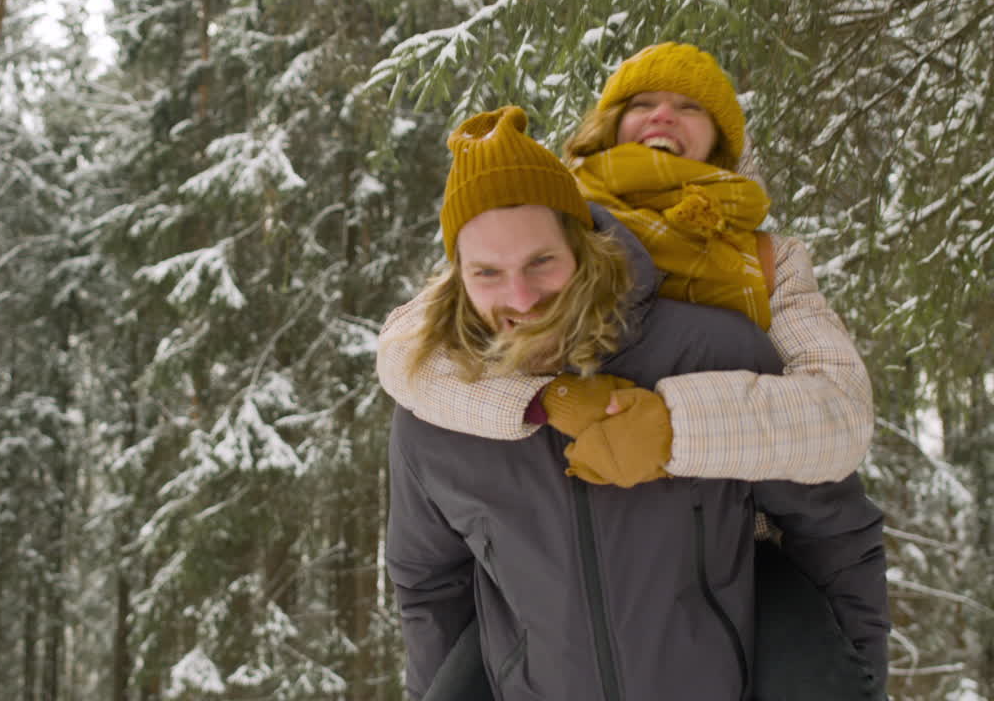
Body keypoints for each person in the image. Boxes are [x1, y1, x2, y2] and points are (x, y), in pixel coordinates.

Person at [385, 104, 889, 700]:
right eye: (487, 272)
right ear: (458, 278)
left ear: (580, 244)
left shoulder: (713, 349)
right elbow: (428, 585)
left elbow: (835, 534)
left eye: (541, 261)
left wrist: (858, 682)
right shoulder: (436, 410)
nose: (520, 296)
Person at [377, 42, 873, 489]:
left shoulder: (769, 260)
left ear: (721, 139)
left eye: (689, 106)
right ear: (610, 123)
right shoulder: (557, 223)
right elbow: (406, 353)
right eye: (641, 104)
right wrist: (549, 398)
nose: (662, 115)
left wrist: (671, 427)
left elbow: (842, 412)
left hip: (724, 527)